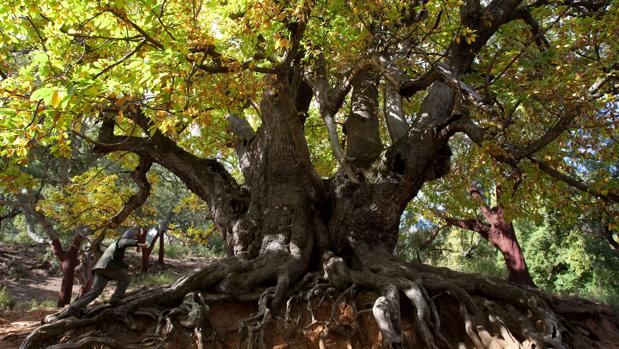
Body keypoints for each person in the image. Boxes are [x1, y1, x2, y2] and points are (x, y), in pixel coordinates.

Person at [64, 229, 146, 317]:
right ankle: (115, 299)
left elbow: (116, 260)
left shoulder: (114, 246)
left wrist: (127, 266)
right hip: (107, 267)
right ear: (129, 238)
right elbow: (125, 241)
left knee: (96, 291)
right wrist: (138, 243)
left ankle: (75, 306)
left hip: (100, 268)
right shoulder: (120, 241)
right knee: (126, 278)